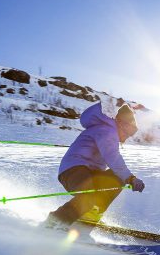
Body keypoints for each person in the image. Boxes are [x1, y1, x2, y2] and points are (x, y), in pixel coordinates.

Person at [44, 98, 145, 230]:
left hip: (88, 172)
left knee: (117, 177)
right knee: (90, 192)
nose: (127, 137)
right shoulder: (107, 131)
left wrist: (126, 177)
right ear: (120, 123)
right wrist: (131, 177)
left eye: (131, 134)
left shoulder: (109, 132)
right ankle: (57, 221)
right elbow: (113, 157)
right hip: (72, 171)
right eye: (128, 132)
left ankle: (90, 216)